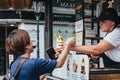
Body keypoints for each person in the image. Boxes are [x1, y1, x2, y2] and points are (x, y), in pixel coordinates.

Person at [5, 29, 74, 80]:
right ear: (27, 46)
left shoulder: (14, 64)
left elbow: (35, 77)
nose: (32, 42)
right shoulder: (34, 63)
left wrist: (49, 65)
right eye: (30, 40)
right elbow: (59, 63)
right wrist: (68, 44)